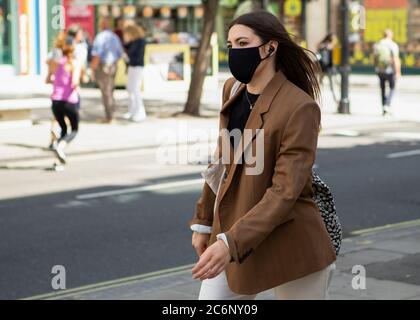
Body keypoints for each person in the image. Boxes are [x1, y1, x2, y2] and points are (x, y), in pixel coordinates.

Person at [189, 11, 336, 300]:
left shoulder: (299, 107)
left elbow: (285, 191)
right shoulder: (233, 88)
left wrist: (229, 242)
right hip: (232, 235)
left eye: (243, 43)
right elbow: (221, 162)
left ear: (271, 47)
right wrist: (204, 221)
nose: (235, 52)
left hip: (291, 243)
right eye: (231, 45)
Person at [49, 35, 81, 166]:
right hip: (69, 101)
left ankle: (58, 159)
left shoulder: (55, 63)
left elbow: (48, 79)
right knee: (74, 130)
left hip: (55, 101)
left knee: (62, 127)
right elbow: (75, 82)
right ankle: (60, 147)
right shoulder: (74, 63)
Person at [90, 17, 124, 123]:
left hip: (103, 66)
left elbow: (97, 54)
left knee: (106, 92)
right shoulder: (114, 37)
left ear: (102, 25)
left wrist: (92, 69)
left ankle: (109, 116)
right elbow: (120, 54)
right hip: (113, 65)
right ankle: (111, 114)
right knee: (110, 90)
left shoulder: (100, 37)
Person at [122, 23, 147, 122]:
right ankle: (132, 111)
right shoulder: (134, 41)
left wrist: (126, 54)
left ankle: (140, 112)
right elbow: (126, 46)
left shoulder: (140, 41)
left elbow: (131, 53)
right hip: (132, 67)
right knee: (130, 89)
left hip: (137, 67)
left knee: (135, 90)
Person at [373, 29, 401, 116]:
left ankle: (384, 106)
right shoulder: (392, 45)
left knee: (382, 88)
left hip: (380, 70)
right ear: (390, 35)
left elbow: (374, 58)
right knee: (392, 87)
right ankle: (387, 105)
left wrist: (376, 67)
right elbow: (396, 59)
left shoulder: (378, 44)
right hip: (390, 70)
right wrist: (398, 72)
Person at [317, 33, 338, 102]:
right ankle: (336, 100)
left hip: (323, 67)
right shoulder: (329, 46)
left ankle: (316, 98)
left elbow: (318, 48)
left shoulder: (322, 45)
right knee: (332, 85)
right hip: (328, 68)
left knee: (319, 84)